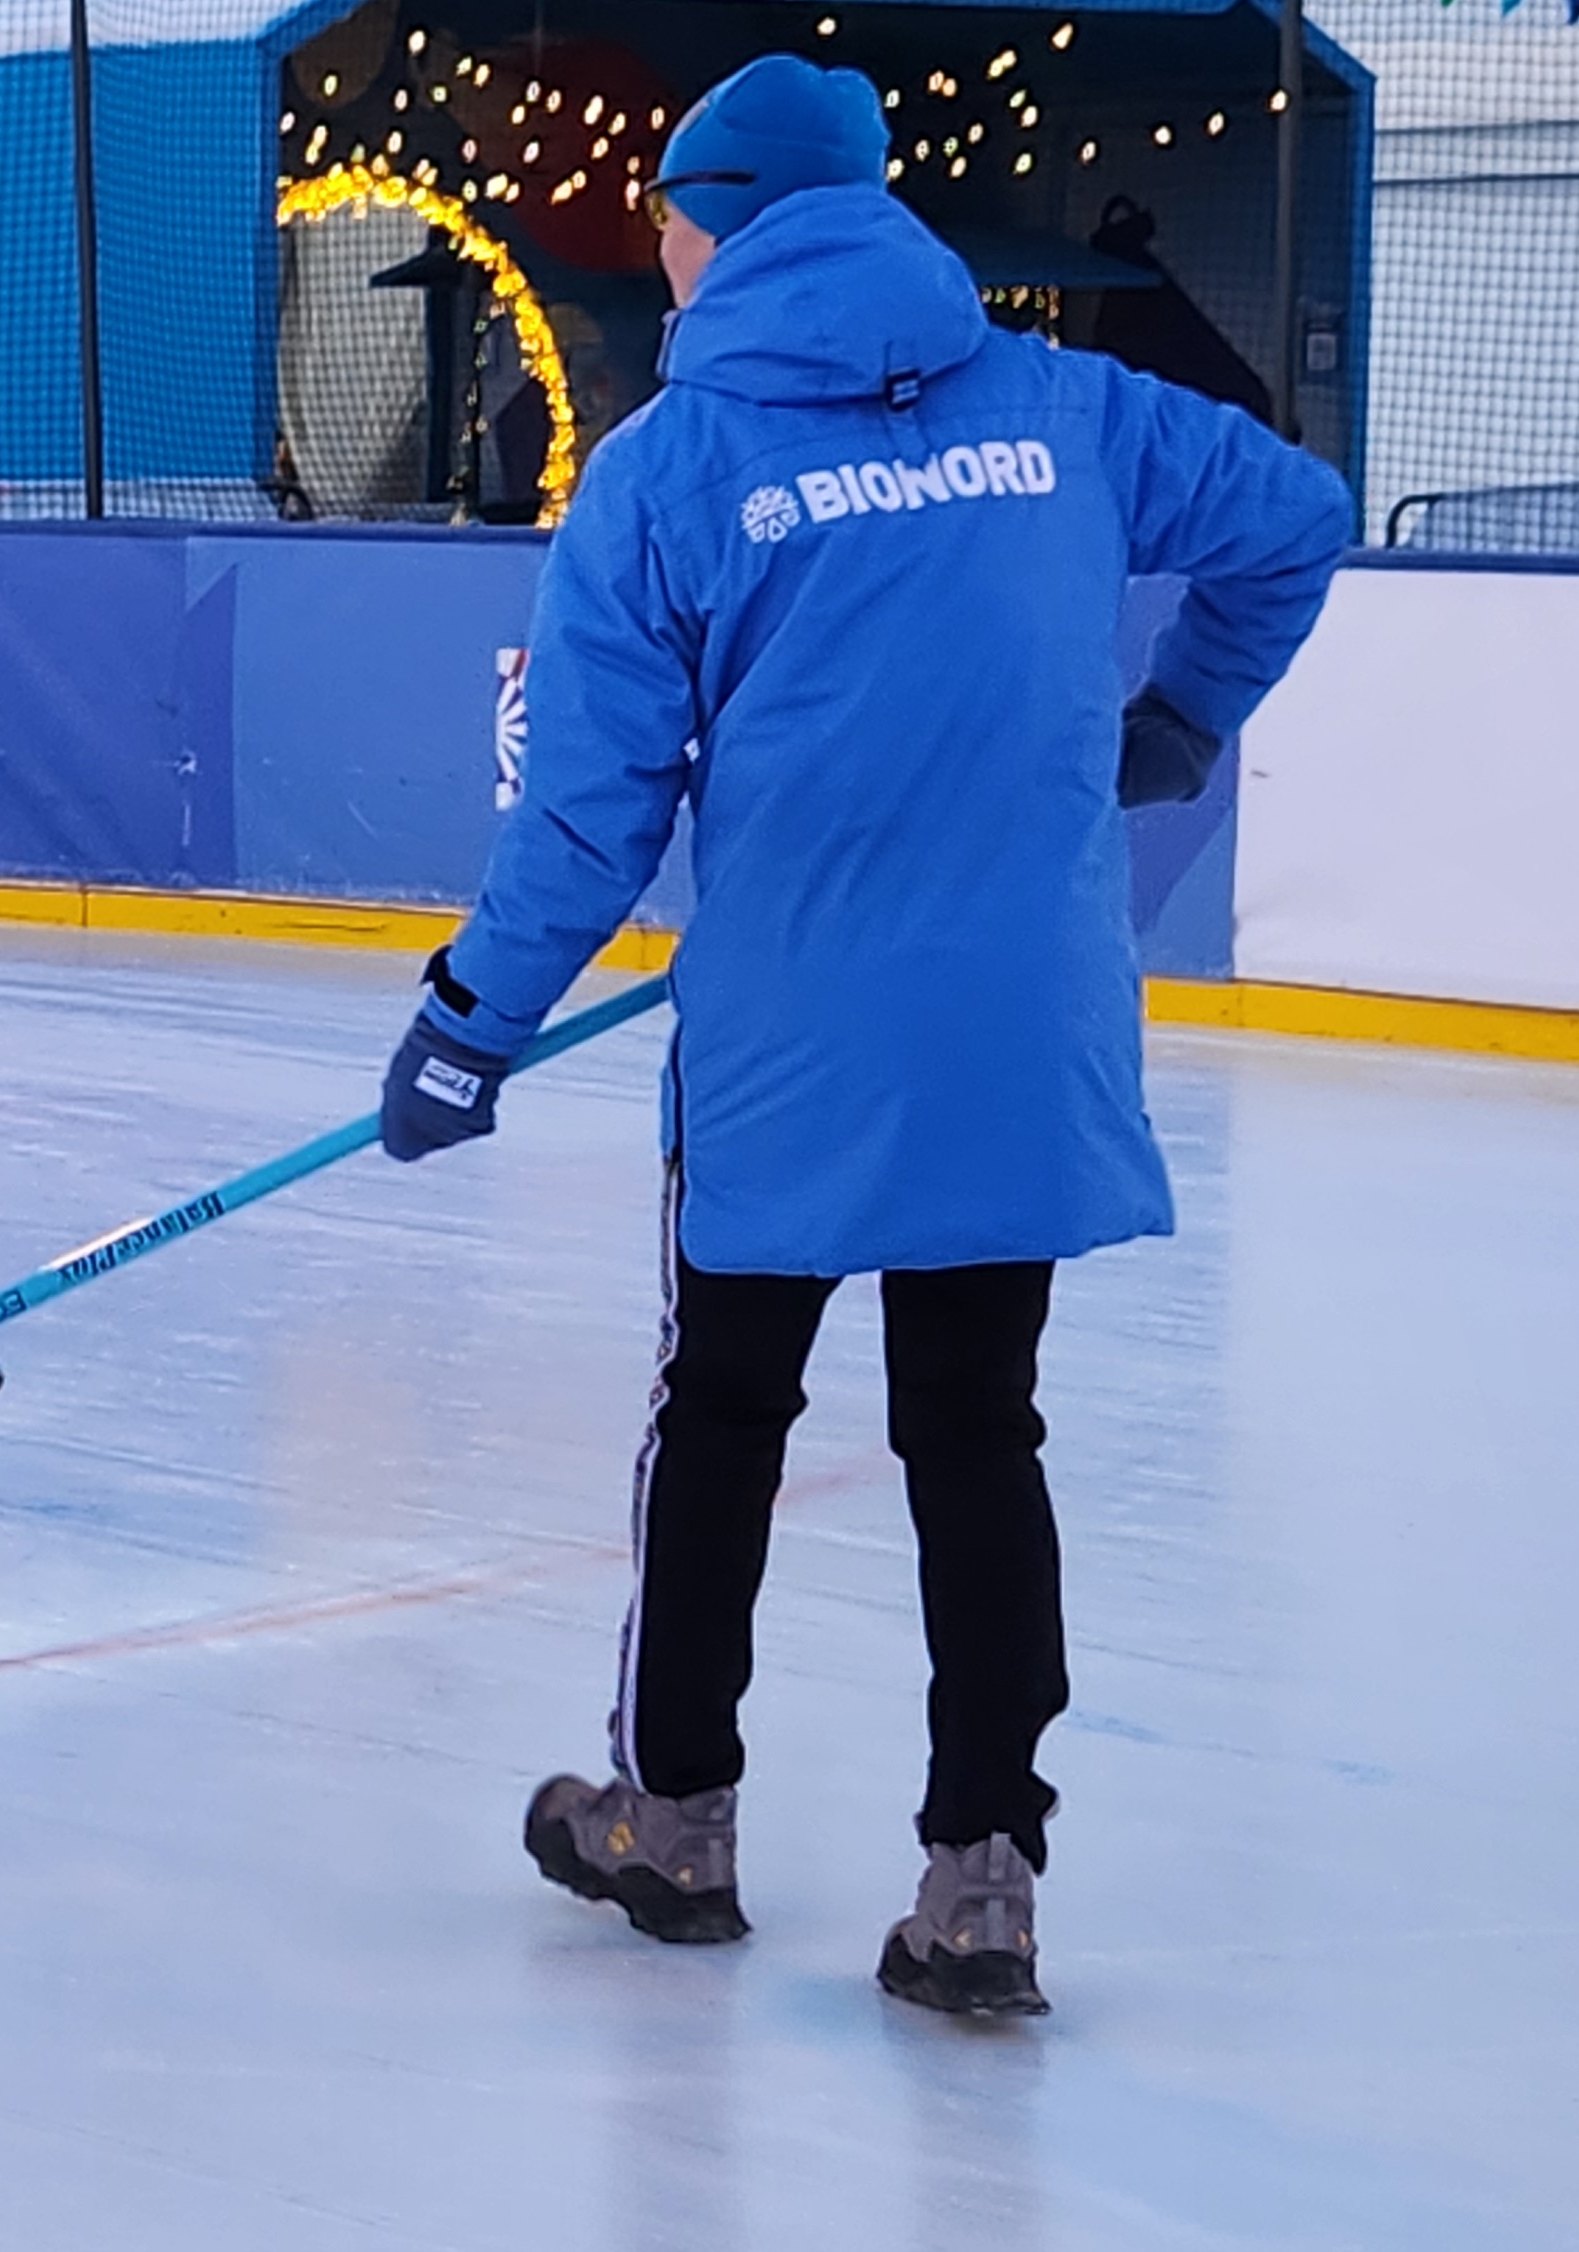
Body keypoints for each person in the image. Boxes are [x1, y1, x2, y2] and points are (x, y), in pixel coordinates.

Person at [372, 54, 1348, 2017]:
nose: (647, 237)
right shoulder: (1058, 406)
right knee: (975, 1435)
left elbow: (590, 809)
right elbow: (1294, 514)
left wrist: (469, 1022)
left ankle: (674, 1820)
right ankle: (977, 1885)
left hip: (788, 1055)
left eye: (659, 207)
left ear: (720, 218)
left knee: (721, 1418)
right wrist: (1176, 718)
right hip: (1014, 1030)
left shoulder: (668, 465)